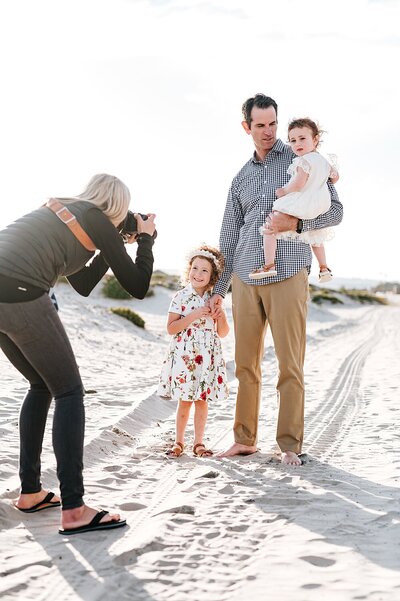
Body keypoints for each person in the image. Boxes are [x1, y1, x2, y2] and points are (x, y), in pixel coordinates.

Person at [0, 173, 156, 534]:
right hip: (20, 291)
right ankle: (74, 508)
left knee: (40, 385)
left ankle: (31, 493)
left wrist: (117, 241)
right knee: (69, 392)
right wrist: (145, 240)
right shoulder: (96, 218)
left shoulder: (67, 212)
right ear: (117, 204)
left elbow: (83, 284)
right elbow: (137, 285)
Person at [210, 94, 343, 465]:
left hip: (288, 272)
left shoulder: (304, 159)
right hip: (244, 277)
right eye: (260, 125)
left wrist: (298, 223)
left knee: (290, 365)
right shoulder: (240, 178)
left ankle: (289, 445)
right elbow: (228, 234)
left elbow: (336, 211)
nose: (269, 132)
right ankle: (244, 439)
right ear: (246, 127)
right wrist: (220, 289)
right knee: (245, 365)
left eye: (273, 124)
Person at [157, 245, 229, 458]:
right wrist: (196, 314)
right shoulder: (181, 297)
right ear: (188, 270)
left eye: (204, 270)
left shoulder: (214, 298)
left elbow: (223, 333)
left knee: (201, 401)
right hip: (185, 355)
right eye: (195, 268)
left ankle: (198, 443)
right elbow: (171, 328)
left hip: (207, 356)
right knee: (185, 400)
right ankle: (179, 442)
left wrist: (221, 316)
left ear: (212, 276)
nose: (198, 274)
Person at [249, 117, 339, 283]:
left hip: (302, 202)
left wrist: (283, 191)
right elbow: (335, 177)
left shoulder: (302, 161)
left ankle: (269, 265)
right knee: (315, 236)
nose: (297, 143)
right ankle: (324, 268)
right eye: (293, 140)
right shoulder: (323, 161)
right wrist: (320, 181)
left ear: (315, 139)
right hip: (319, 204)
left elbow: (298, 185)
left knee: (270, 226)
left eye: (302, 138)